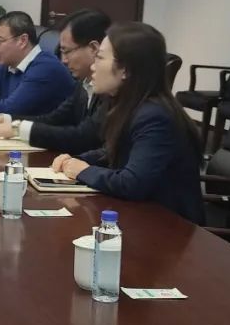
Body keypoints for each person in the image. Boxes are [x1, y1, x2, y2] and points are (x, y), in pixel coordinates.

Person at [50, 22, 205, 224]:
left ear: (125, 70)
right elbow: (112, 151)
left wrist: (82, 170)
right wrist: (75, 160)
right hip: (141, 217)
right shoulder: (125, 104)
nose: (93, 66)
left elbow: (132, 183)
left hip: (171, 228)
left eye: (100, 58)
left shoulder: (155, 116)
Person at [0, 9, 111, 154]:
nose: (63, 61)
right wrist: (8, 120)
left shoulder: (110, 91)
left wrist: (18, 129)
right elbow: (54, 119)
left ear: (93, 48)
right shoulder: (82, 84)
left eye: (67, 52)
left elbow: (82, 137)